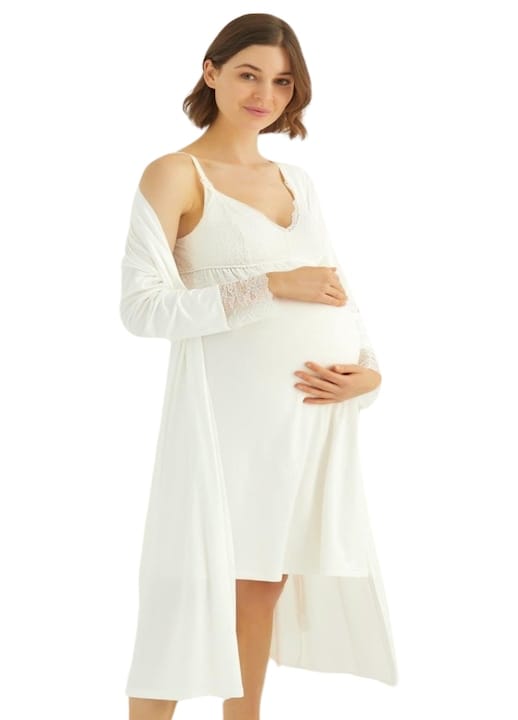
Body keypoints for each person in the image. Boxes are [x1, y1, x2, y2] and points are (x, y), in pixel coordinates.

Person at [120, 12, 397, 720]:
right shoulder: (175, 174)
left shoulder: (296, 180)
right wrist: (269, 285)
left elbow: (335, 291)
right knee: (187, 590)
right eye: (249, 74)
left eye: (281, 81)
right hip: (221, 421)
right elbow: (142, 309)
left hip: (300, 423)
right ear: (211, 71)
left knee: (261, 587)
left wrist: (368, 372)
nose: (264, 94)